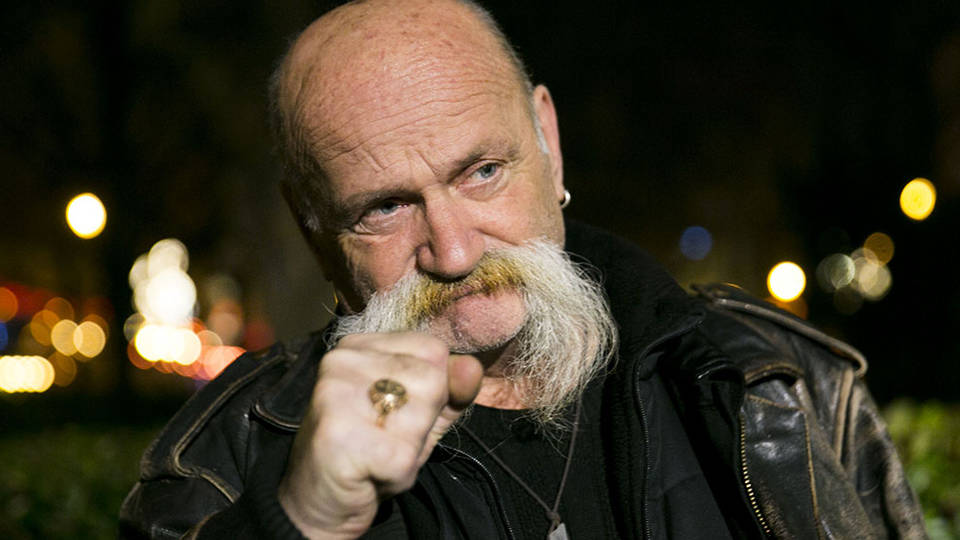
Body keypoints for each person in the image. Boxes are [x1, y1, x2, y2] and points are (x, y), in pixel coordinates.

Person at [119, 1, 926, 538]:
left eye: (482, 173)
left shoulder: (784, 382)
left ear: (549, 142)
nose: (455, 252)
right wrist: (299, 520)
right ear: (313, 226)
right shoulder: (223, 457)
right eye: (386, 208)